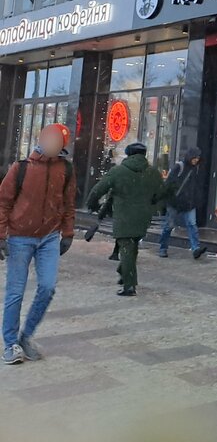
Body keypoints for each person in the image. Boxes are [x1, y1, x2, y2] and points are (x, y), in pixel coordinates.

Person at [0, 123, 76, 365]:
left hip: (49, 237)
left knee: (48, 287)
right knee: (15, 292)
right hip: (20, 237)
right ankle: (10, 344)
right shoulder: (21, 168)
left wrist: (68, 233)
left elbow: (69, 203)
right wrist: (1, 235)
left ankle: (26, 336)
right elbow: (3, 202)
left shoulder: (66, 169)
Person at [86, 142, 167, 297]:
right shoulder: (153, 173)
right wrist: (152, 208)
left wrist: (93, 206)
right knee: (132, 246)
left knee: (127, 248)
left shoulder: (118, 171)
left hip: (124, 217)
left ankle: (129, 286)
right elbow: (162, 194)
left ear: (128, 154)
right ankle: (124, 273)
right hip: (143, 217)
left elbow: (97, 190)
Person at [157, 146, 207, 260]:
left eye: (198, 158)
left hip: (189, 203)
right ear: (190, 156)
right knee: (169, 226)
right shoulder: (179, 167)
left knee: (192, 225)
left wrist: (197, 199)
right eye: (195, 157)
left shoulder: (196, 169)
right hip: (175, 202)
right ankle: (163, 248)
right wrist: (169, 199)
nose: (196, 160)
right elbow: (168, 184)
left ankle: (195, 248)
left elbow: (196, 186)